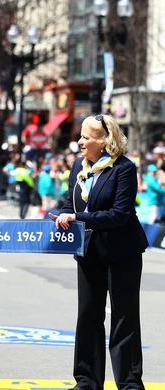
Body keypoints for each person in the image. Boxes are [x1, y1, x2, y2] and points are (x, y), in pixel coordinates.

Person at [49, 114, 149, 390]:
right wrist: (63, 215)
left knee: (124, 317)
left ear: (105, 141)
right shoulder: (77, 168)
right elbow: (70, 204)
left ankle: (129, 382)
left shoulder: (124, 169)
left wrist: (80, 218)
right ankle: (86, 380)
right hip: (88, 250)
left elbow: (119, 214)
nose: (80, 141)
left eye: (87, 137)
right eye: (80, 136)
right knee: (89, 315)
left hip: (123, 251)